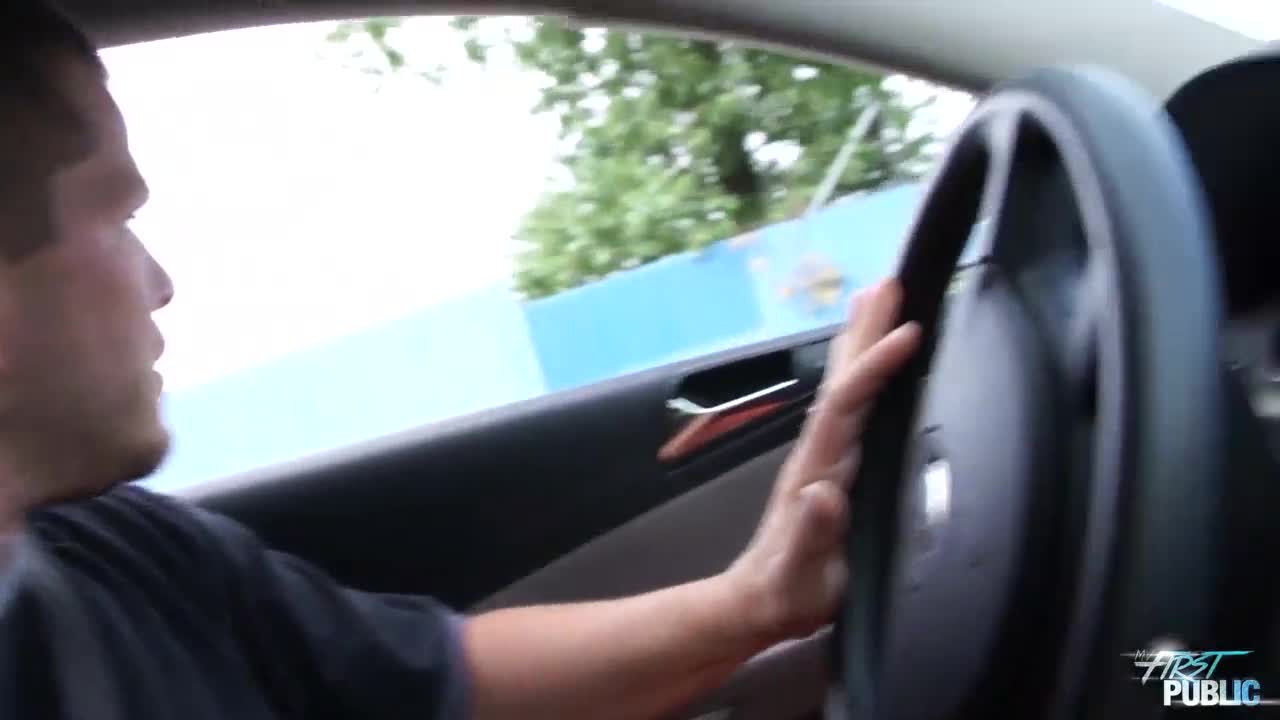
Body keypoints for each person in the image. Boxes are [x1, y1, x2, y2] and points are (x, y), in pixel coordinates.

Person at [0, 2, 922, 718]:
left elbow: (438, 685)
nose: (160, 283)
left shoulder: (120, 556)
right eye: (119, 217)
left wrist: (753, 602)